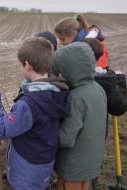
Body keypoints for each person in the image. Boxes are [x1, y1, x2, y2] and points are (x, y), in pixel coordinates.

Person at [0, 37, 69, 189]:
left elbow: (3, 129)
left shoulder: (28, 104)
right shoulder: (57, 91)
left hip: (26, 170)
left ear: (27, 66)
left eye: (20, 64)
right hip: (44, 162)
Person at [52, 42, 107, 190]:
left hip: (73, 164)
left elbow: (66, 138)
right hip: (91, 160)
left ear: (70, 71)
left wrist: (49, 136)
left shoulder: (75, 98)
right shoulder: (99, 89)